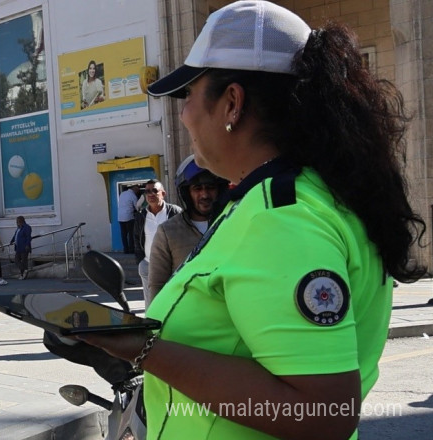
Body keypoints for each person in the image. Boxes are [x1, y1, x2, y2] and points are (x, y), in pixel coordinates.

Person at [77, 2, 426, 438]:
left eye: (189, 94)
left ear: (232, 103)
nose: (183, 114)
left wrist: (141, 348)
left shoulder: (284, 217)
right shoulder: (298, 197)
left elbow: (325, 413)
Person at [147, 155, 227, 302]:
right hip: (187, 319)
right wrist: (157, 322)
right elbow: (157, 284)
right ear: (187, 193)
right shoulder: (168, 232)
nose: (204, 194)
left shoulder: (233, 223)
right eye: (197, 189)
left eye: (210, 188)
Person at [133, 179, 181, 309]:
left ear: (163, 193)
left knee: (173, 301)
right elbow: (137, 238)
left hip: (171, 266)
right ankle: (152, 328)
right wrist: (140, 261)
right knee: (151, 305)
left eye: (154, 190)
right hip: (148, 265)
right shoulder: (141, 215)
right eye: (147, 191)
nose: (150, 194)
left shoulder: (175, 212)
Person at [117, 184, 141, 253]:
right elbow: (137, 207)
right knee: (131, 234)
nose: (138, 191)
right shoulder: (132, 195)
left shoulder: (122, 194)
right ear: (135, 188)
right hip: (129, 217)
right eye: (138, 190)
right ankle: (131, 249)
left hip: (120, 217)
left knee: (123, 235)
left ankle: (125, 249)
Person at [10, 216, 32, 280]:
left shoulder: (27, 227)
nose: (16, 223)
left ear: (21, 221)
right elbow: (15, 236)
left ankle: (22, 275)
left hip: (24, 247)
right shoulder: (18, 228)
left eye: (17, 221)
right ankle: (25, 270)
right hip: (18, 247)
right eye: (16, 221)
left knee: (24, 261)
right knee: (16, 260)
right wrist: (11, 241)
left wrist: (27, 245)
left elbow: (28, 237)